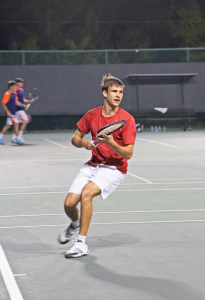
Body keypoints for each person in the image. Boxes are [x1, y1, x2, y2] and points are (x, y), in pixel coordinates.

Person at [58, 74, 136, 258]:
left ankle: (81, 243)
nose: (118, 95)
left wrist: (111, 144)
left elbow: (128, 153)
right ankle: (75, 223)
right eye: (114, 91)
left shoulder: (127, 119)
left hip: (114, 169)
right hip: (93, 165)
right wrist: (84, 143)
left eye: (121, 92)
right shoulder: (92, 115)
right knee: (69, 204)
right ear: (104, 93)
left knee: (87, 194)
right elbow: (74, 138)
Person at [0, 81, 26, 145]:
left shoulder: (14, 94)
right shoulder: (7, 94)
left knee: (8, 126)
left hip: (14, 112)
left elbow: (16, 102)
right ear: (11, 87)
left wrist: (23, 105)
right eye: (14, 86)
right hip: (10, 113)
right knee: (16, 124)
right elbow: (3, 104)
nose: (16, 87)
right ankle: (17, 139)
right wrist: (7, 112)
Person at [14, 78, 34, 143]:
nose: (22, 83)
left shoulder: (22, 90)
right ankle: (19, 136)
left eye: (22, 82)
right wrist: (23, 105)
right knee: (25, 121)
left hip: (21, 109)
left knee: (18, 123)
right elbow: (15, 101)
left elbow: (22, 99)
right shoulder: (14, 90)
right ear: (17, 83)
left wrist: (28, 101)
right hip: (17, 109)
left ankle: (15, 138)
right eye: (20, 82)